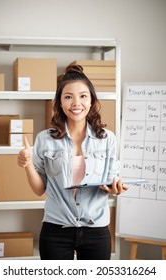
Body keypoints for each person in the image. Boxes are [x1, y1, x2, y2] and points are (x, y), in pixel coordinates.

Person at [18, 64, 128, 260]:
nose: (76, 103)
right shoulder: (45, 139)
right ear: (60, 102)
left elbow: (111, 180)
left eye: (83, 96)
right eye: (68, 96)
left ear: (92, 100)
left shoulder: (107, 139)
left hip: (96, 229)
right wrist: (27, 164)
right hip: (56, 228)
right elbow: (38, 189)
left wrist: (114, 188)